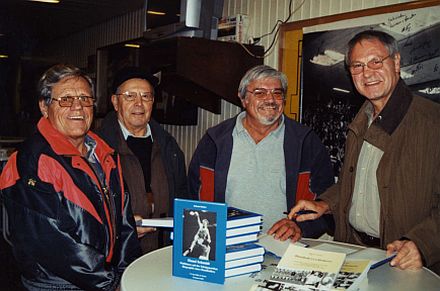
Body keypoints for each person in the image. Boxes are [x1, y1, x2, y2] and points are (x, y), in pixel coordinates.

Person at [289, 30, 440, 274]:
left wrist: (422, 244)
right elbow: (357, 181)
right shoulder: (361, 120)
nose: (367, 73)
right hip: (355, 252)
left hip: (405, 263)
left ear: (397, 62)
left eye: (375, 62)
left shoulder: (432, 123)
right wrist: (325, 203)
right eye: (357, 66)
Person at [0, 64, 140, 290]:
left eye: (85, 98)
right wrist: (112, 283)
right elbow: (53, 245)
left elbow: (125, 224)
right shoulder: (29, 163)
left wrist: (127, 273)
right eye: (65, 99)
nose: (78, 106)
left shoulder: (106, 155)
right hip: (56, 286)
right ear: (44, 107)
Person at [188, 65, 334, 241]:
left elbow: (327, 201)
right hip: (227, 245)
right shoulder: (214, 141)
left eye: (277, 93)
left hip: (285, 246)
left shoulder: (306, 142)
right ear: (243, 99)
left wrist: (300, 227)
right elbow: (193, 197)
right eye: (260, 93)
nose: (270, 100)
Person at [97, 66, 189, 254]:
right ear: (115, 102)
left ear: (152, 102)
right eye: (130, 96)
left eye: (146, 96)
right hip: (119, 252)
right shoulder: (98, 148)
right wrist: (120, 227)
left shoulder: (169, 146)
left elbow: (184, 196)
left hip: (164, 251)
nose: (139, 103)